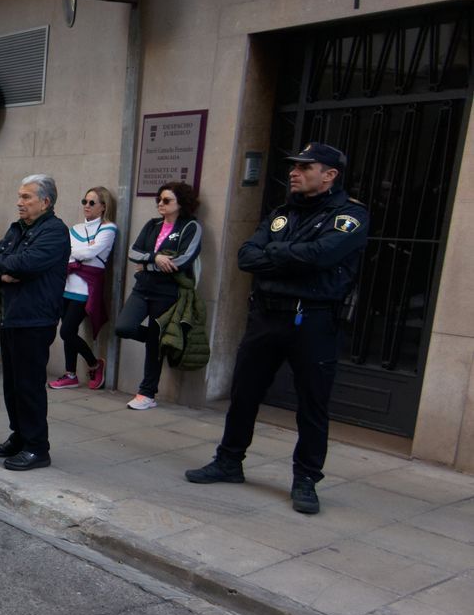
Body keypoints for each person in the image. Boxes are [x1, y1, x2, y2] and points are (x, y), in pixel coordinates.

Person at [186, 143, 369, 515]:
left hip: (314, 320)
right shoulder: (281, 214)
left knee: (312, 404)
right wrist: (293, 256)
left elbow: (324, 256)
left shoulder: (349, 216)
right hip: (267, 317)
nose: (294, 172)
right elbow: (246, 256)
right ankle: (229, 460)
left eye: (306, 166)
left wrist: (278, 256)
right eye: (294, 166)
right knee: (244, 392)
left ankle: (306, 478)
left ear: (330, 175)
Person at [0, 174, 69, 471]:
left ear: (45, 201)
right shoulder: (17, 228)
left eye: (26, 197)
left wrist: (6, 265)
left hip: (35, 318)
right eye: (19, 196)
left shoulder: (55, 231)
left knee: (30, 385)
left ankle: (36, 447)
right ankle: (19, 436)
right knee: (13, 384)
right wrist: (3, 273)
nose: (19, 202)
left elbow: (27, 263)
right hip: (12, 315)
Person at [115, 182, 203, 410]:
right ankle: (163, 340)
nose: (160, 204)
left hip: (167, 292)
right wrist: (155, 258)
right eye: (159, 200)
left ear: (181, 203)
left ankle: (147, 393)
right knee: (123, 326)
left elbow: (182, 260)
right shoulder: (152, 224)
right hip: (142, 288)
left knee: (153, 344)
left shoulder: (190, 226)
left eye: (166, 201)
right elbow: (134, 252)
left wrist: (148, 265)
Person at [50, 187, 119, 391]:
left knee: (67, 331)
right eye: (84, 202)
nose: (86, 206)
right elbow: (66, 252)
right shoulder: (76, 228)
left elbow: (92, 251)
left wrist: (75, 253)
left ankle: (95, 364)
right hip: (67, 285)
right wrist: (77, 254)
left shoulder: (109, 229)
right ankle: (71, 374)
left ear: (103, 206)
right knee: (68, 331)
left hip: (86, 289)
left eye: (92, 202)